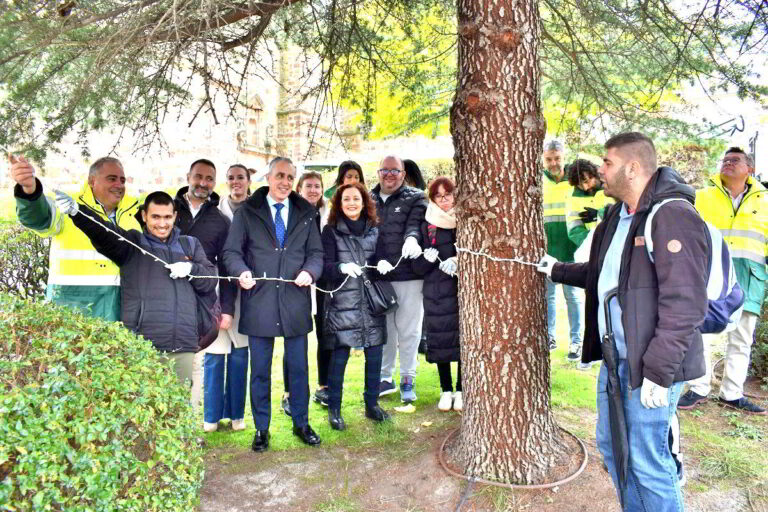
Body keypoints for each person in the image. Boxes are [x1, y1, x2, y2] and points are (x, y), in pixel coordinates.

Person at [537, 132, 709, 511]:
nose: (600, 169)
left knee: (646, 462)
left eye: (607, 162)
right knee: (614, 450)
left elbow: (686, 304)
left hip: (650, 367)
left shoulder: (672, 216)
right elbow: (603, 274)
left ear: (631, 168)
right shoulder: (617, 216)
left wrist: (658, 372)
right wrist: (556, 269)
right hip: (616, 360)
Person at [55, 190, 217, 387]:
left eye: (167, 217)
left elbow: (210, 281)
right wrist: (77, 212)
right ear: (144, 216)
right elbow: (103, 232)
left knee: (182, 403)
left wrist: (190, 268)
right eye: (155, 217)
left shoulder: (189, 245)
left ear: (175, 216)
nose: (162, 223)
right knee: (144, 403)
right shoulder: (133, 244)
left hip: (183, 344)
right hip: (143, 346)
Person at [222, 156, 324, 452]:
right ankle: (261, 429)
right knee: (260, 371)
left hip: (295, 300)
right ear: (268, 178)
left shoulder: (307, 212)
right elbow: (231, 252)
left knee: (299, 368)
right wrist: (241, 271)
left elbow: (316, 253)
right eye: (280, 175)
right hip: (259, 300)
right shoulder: (248, 211)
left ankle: (301, 423)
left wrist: (310, 271)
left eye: (290, 177)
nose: (285, 182)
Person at [678, 147, 767, 415]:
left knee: (742, 338)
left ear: (750, 168)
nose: (728, 163)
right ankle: (698, 387)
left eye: (735, 160)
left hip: (750, 278)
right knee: (702, 333)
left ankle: (732, 393)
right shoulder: (702, 197)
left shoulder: (765, 201)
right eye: (725, 159)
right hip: (710, 275)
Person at [10, 155, 141, 320]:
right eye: (111, 179)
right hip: (73, 307)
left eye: (122, 180)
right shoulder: (67, 206)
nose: (119, 185)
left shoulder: (135, 213)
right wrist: (29, 190)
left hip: (122, 308)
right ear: (92, 181)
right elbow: (38, 218)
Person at [321, 183, 391, 430]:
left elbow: (382, 258)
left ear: (364, 202)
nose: (352, 203)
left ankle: (372, 405)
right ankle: (335, 410)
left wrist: (383, 264)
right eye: (346, 199)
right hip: (344, 302)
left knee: (375, 353)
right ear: (339, 204)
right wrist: (340, 268)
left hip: (371, 301)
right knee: (339, 356)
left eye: (356, 198)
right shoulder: (330, 231)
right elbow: (324, 266)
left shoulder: (375, 230)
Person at [172, 158, 235, 418]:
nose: (203, 183)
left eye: (209, 179)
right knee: (162, 361)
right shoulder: (167, 210)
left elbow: (227, 266)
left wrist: (227, 309)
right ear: (188, 176)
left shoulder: (221, 221)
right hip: (165, 295)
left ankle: (188, 423)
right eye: (198, 176)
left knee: (194, 362)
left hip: (199, 300)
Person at [371, 155, 428, 402]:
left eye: (395, 171)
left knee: (409, 329)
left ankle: (408, 378)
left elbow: (415, 225)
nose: (390, 175)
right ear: (378, 172)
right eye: (385, 170)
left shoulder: (416, 197)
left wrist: (411, 239)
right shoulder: (368, 198)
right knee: (385, 331)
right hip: (379, 276)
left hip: (409, 275)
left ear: (403, 174)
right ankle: (385, 377)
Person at [202, 164, 252, 433]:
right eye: (231, 178)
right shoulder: (216, 211)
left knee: (240, 353)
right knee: (214, 351)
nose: (236, 182)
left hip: (248, 290)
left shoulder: (257, 209)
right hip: (219, 288)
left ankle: (236, 414)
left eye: (240, 177)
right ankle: (211, 415)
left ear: (248, 180)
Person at [281, 171, 331, 416]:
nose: (313, 190)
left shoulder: (329, 213)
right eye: (308, 186)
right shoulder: (289, 212)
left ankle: (324, 386)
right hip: (296, 280)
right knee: (294, 338)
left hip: (323, 282)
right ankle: (289, 392)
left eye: (317, 186)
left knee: (325, 335)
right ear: (299, 188)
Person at [412, 177, 461, 411]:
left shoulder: (463, 219)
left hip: (460, 289)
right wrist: (426, 258)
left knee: (463, 340)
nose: (444, 200)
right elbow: (417, 267)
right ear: (432, 199)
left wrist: (457, 261)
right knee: (440, 339)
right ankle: (445, 389)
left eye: (447, 195)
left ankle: (461, 389)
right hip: (435, 291)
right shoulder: (427, 224)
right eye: (438, 196)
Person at [541, 140, 583, 356]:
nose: (553, 163)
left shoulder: (575, 181)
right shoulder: (538, 180)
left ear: (563, 157)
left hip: (570, 250)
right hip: (546, 250)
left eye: (557, 158)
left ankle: (576, 342)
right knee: (548, 298)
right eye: (549, 159)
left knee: (572, 297)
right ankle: (549, 337)